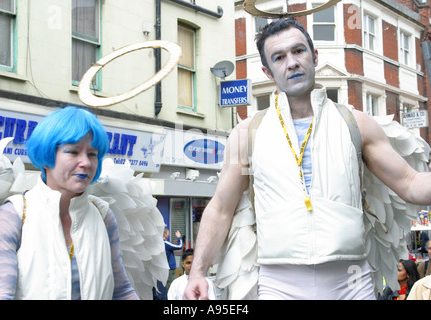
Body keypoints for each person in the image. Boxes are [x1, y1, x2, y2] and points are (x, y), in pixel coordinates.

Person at [183, 17, 431, 300]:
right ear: (267, 70)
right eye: (279, 57)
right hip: (279, 286)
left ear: (314, 56)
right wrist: (198, 272)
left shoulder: (356, 123)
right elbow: (221, 208)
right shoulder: (247, 132)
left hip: (352, 284)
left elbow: (410, 183)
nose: (291, 63)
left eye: (298, 51)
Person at [0, 106, 139, 300]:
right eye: (73, 152)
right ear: (47, 155)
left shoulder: (103, 215)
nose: (86, 162)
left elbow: (122, 290)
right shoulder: (13, 214)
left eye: (92, 154)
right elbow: (1, 295)